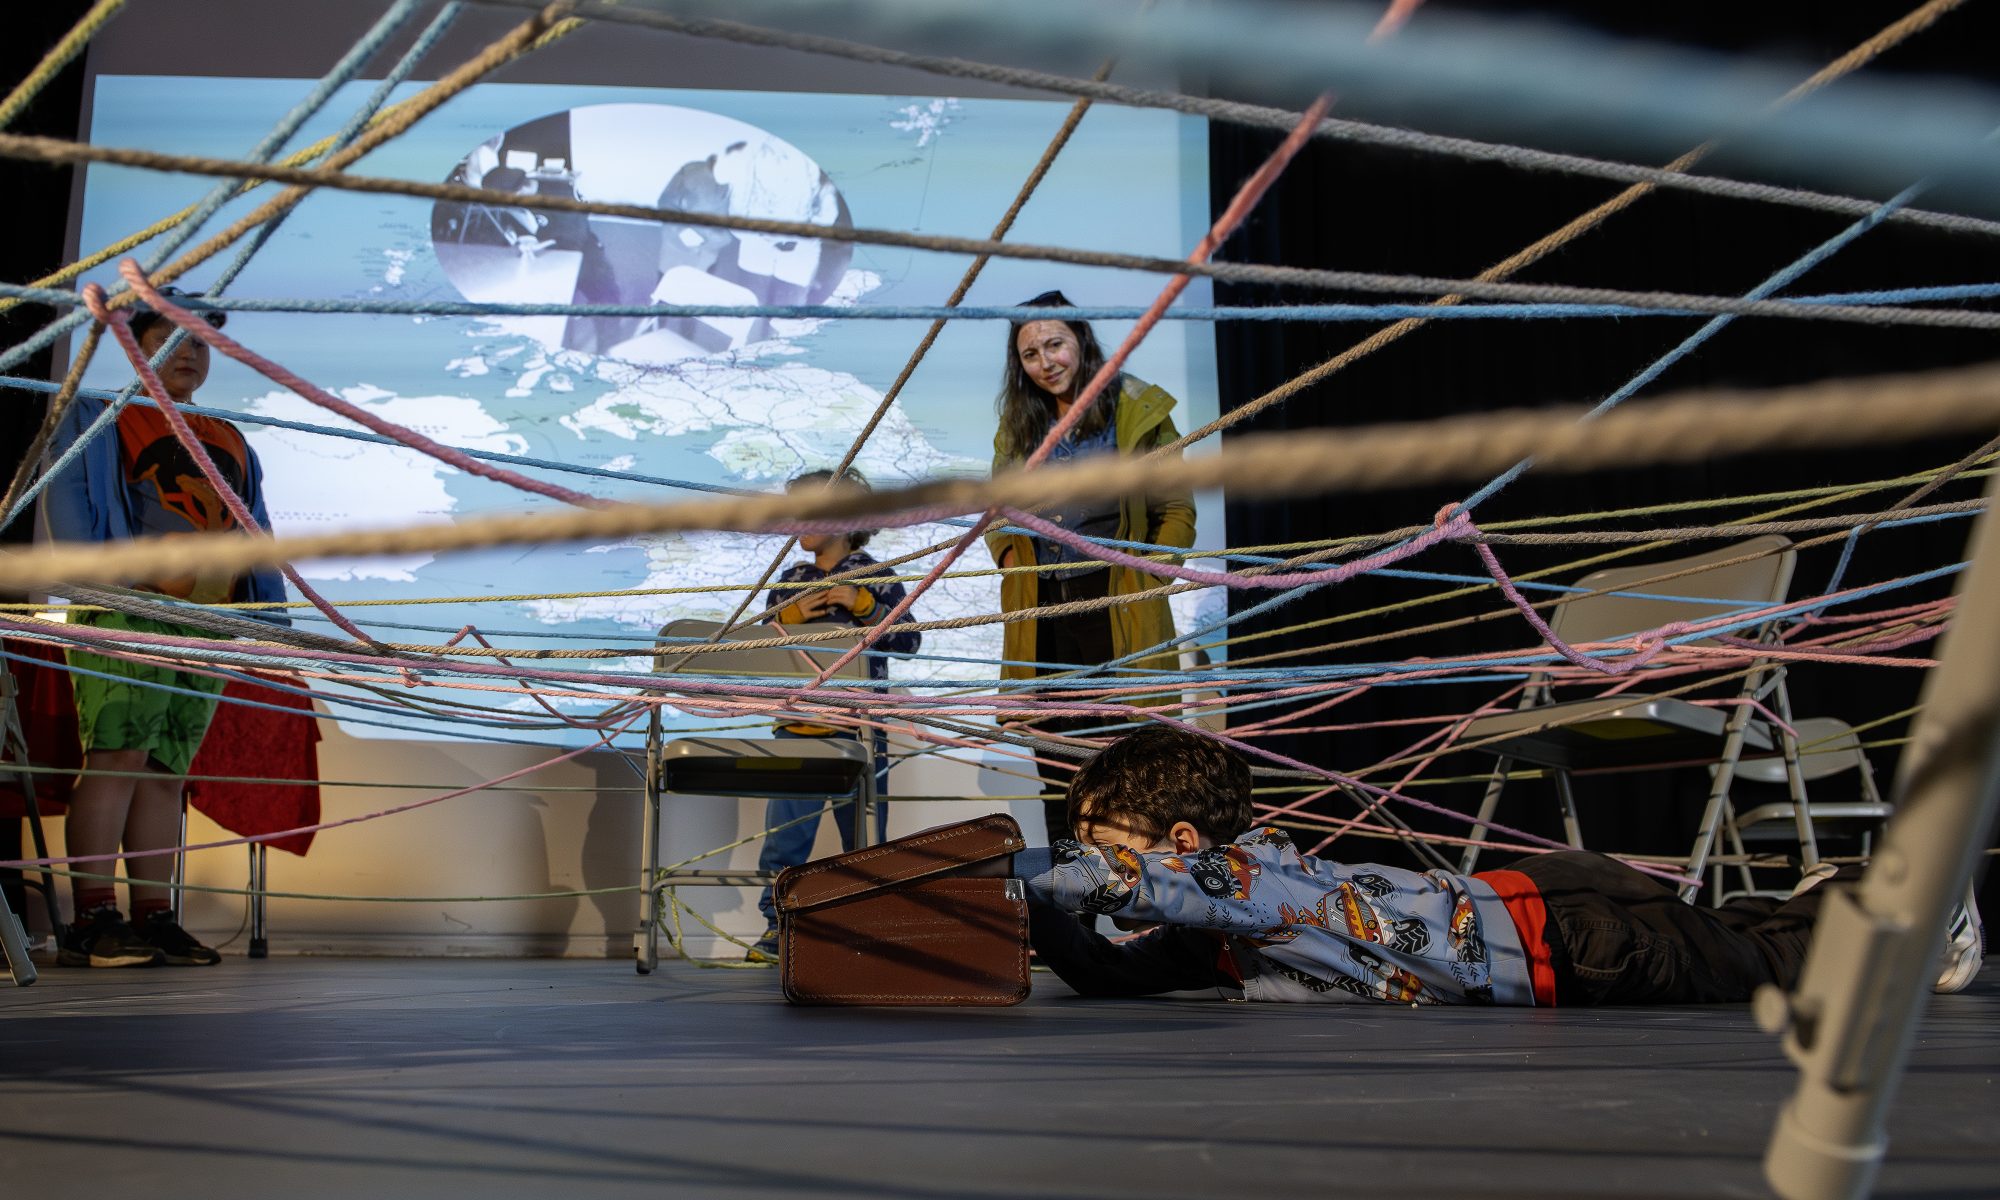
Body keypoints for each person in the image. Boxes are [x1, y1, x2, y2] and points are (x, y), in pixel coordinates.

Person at [1012, 725, 1985, 1005]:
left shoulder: (1255, 879)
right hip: (1547, 913)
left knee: (1758, 970)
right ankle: (1822, 899)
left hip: (1569, 938)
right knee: (1735, 937)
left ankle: (1919, 900)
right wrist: (1019, 901)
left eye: (1108, 845)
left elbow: (1191, 892)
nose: (1102, 868)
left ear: (1180, 849)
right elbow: (1111, 970)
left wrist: (1067, 874)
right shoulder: (1203, 938)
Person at [40, 288, 289, 968]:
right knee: (117, 755)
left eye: (201, 345)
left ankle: (154, 916)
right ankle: (94, 917)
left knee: (165, 770)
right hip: (129, 610)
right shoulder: (98, 416)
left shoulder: (229, 436)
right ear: (136, 345)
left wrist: (270, 614)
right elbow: (70, 502)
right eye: (172, 340)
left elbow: (254, 528)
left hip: (207, 622)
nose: (190, 356)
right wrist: (97, 581)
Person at [985, 291, 1196, 845]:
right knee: (1056, 767)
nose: (1045, 361)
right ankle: (1074, 912)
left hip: (1117, 607)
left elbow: (1175, 509)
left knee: (1128, 765)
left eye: (1055, 344)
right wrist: (1010, 557)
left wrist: (1151, 576)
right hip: (1043, 617)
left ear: (1080, 339)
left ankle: (1139, 911)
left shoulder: (1137, 407)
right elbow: (996, 514)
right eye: (1030, 354)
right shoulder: (1019, 426)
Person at [747, 469, 922, 961]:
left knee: (863, 841)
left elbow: (908, 641)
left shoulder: (876, 575)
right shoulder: (789, 582)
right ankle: (775, 927)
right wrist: (789, 620)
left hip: (861, 730)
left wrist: (865, 605)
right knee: (785, 838)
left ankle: (863, 930)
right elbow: (760, 652)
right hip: (798, 728)